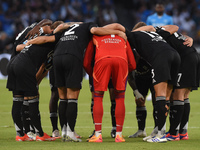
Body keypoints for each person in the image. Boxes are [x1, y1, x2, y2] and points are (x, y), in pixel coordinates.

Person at [24, 22, 127, 142]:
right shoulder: (89, 25)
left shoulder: (67, 28)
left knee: (62, 97)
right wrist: (117, 32)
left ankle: (63, 132)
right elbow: (95, 30)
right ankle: (70, 133)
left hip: (57, 57)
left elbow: (55, 32)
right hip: (72, 57)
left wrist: (30, 42)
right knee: (72, 97)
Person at [112, 22, 180, 142]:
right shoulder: (153, 34)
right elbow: (164, 27)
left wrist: (97, 29)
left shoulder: (134, 35)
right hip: (175, 56)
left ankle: (160, 134)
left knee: (160, 96)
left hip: (161, 57)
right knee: (167, 98)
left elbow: (118, 26)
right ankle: (159, 131)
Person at [6, 21, 63, 141]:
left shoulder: (37, 34)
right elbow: (43, 67)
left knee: (17, 100)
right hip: (25, 65)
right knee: (33, 100)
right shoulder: (51, 39)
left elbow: (18, 47)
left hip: (14, 62)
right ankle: (40, 135)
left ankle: (20, 135)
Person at [83, 34, 136, 143]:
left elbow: (86, 62)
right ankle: (119, 135)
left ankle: (98, 135)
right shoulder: (123, 37)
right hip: (121, 61)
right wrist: (123, 72)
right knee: (120, 98)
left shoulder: (96, 36)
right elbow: (133, 64)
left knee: (98, 97)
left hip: (102, 61)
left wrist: (93, 74)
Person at [155, 26, 200, 141]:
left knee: (177, 96)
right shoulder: (172, 33)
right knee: (185, 96)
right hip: (194, 56)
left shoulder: (159, 36)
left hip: (185, 59)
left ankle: (174, 133)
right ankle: (183, 132)